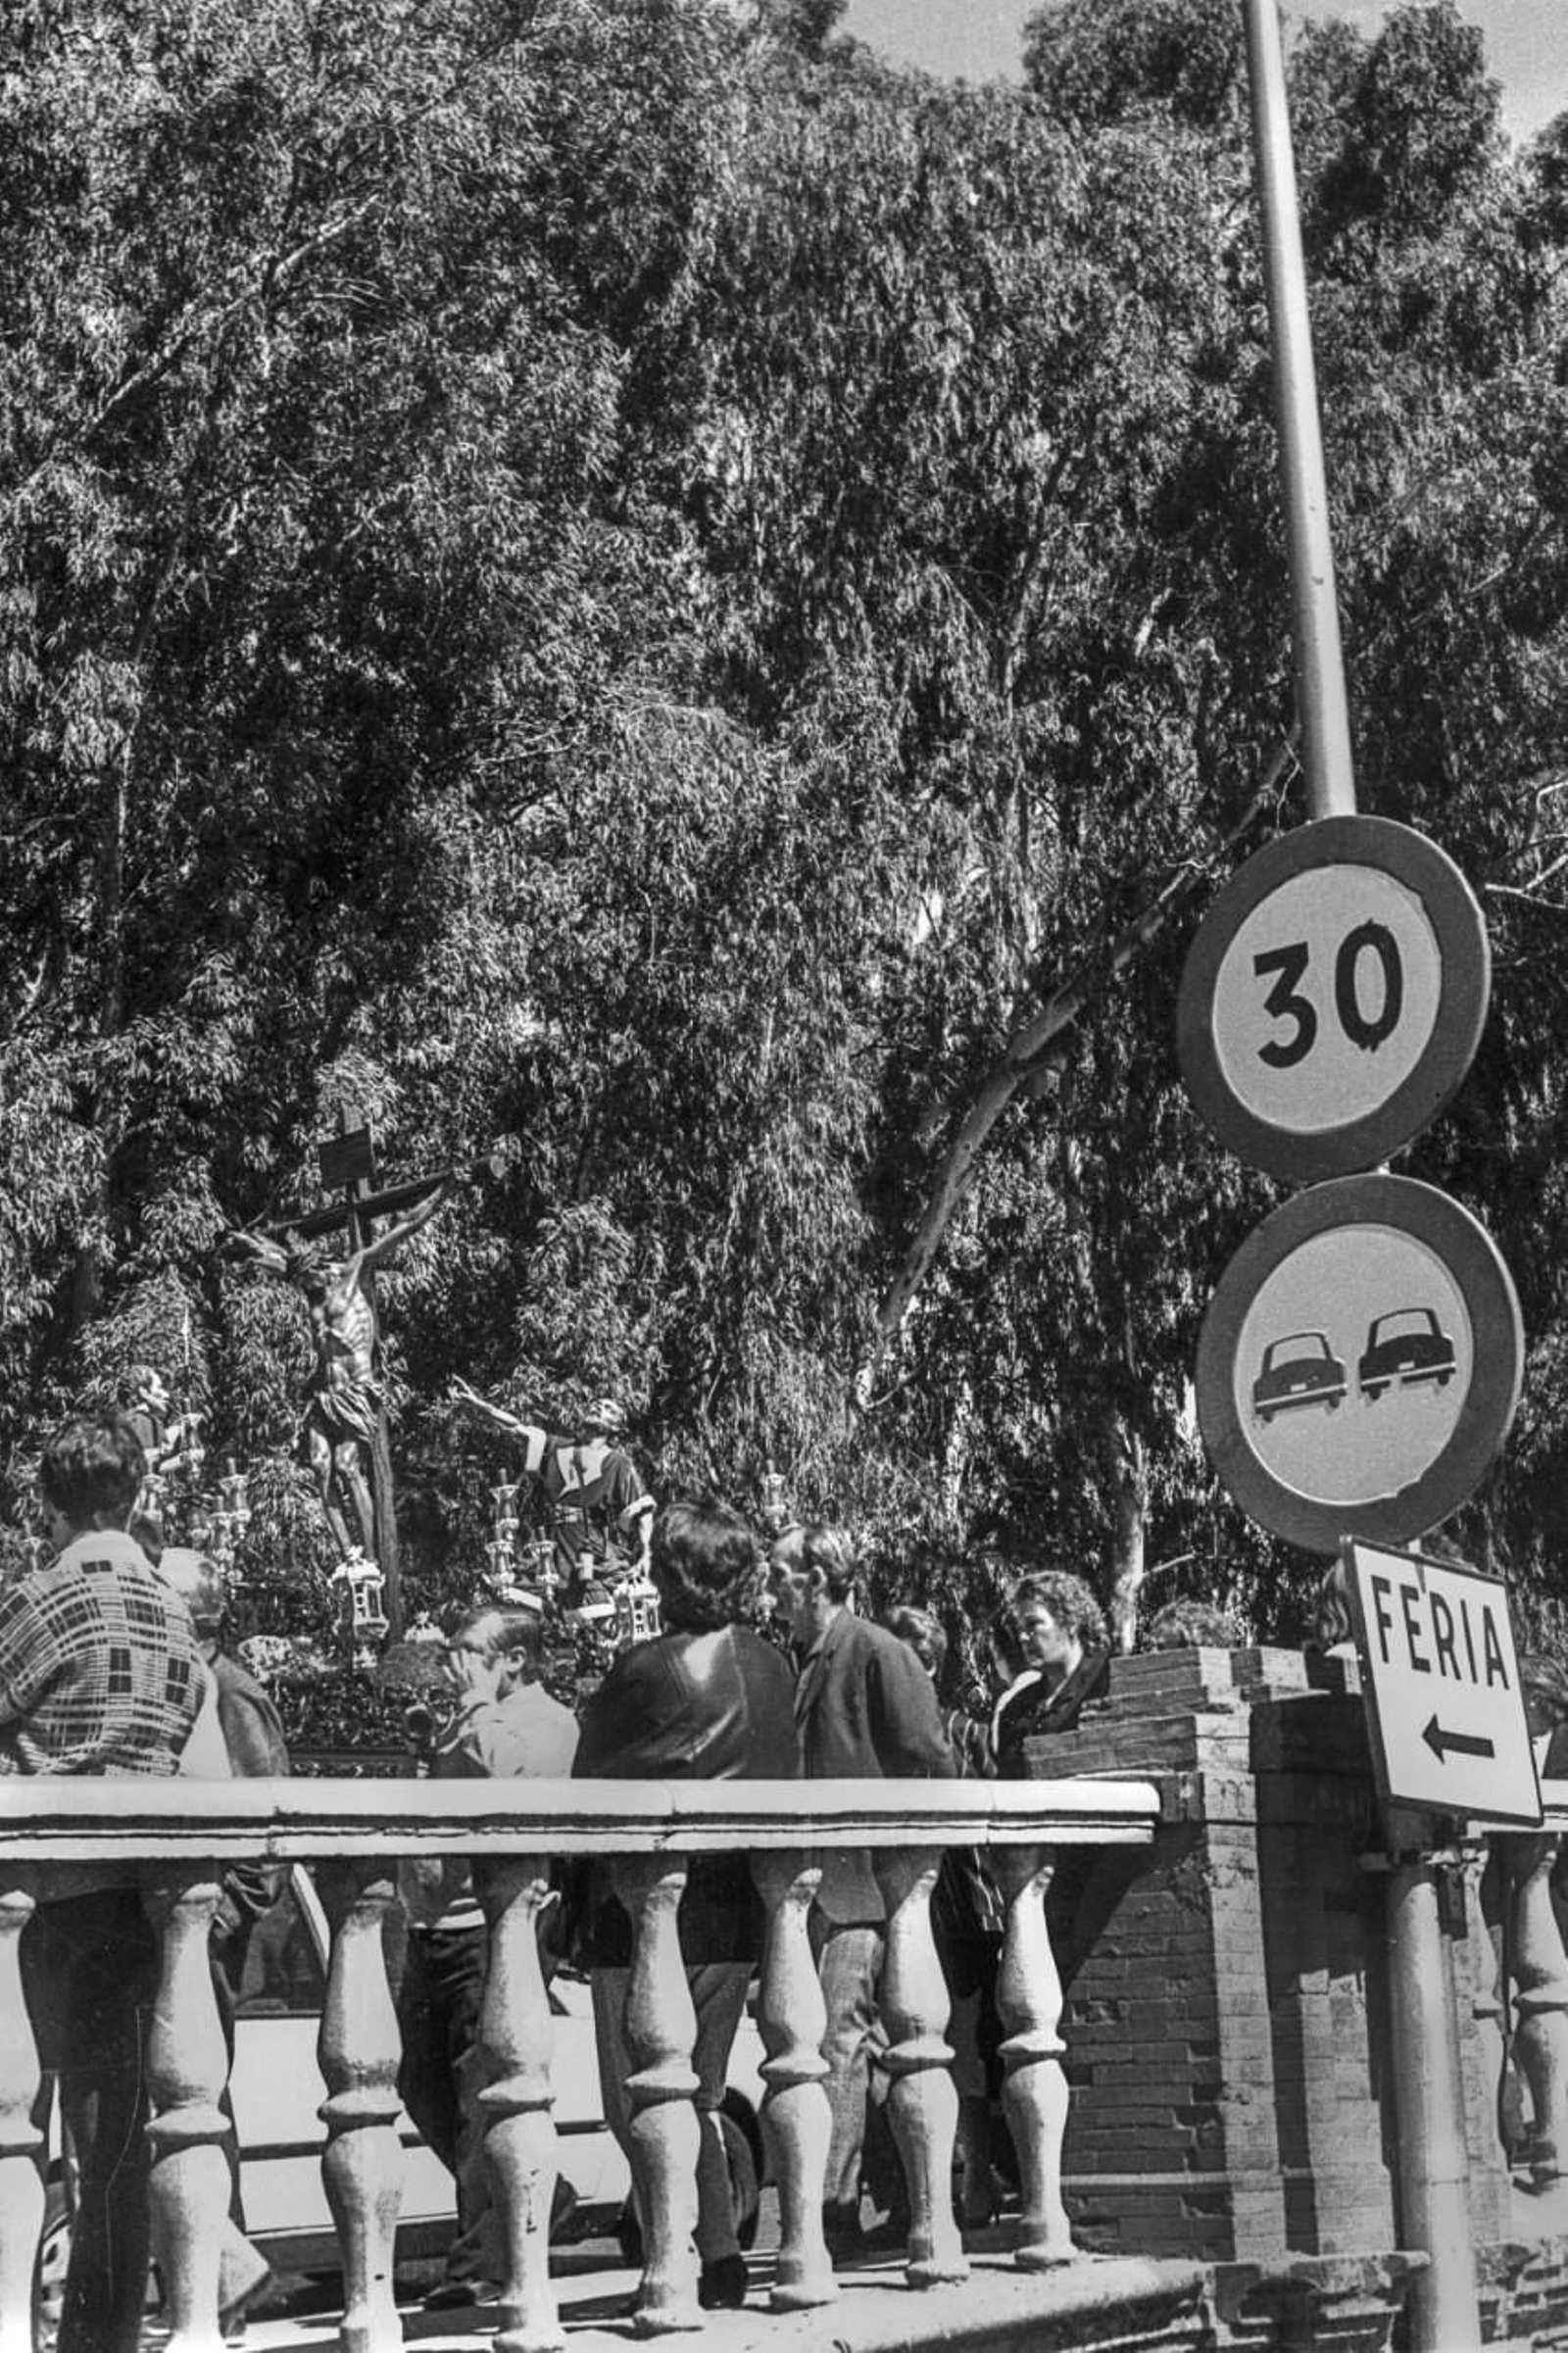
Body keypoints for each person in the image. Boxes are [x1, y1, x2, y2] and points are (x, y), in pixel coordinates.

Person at [0, 1412, 206, 2353]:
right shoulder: (174, 1608)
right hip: (139, 1902)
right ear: (137, 1496)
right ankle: (104, 2336)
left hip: (35, 1900)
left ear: (48, 1505)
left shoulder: (41, 1598)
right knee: (113, 2148)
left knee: (16, 2131)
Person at [575, 1494, 798, 2314]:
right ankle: (722, 2250)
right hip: (741, 1906)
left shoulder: (643, 1668)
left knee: (632, 2098)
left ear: (670, 1575)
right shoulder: (775, 1664)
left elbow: (588, 1777)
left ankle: (673, 2252)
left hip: (643, 1918)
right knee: (698, 2094)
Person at [766, 1524, 954, 2254]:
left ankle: (833, 2212)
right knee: (861, 2046)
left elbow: (932, 1763)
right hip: (820, 1885)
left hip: (868, 1890)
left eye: (781, 1571)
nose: (771, 1583)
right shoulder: (803, 1657)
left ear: (816, 1579)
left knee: (838, 2039)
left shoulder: (878, 1651)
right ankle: (907, 2196)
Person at [398, 1603, 579, 2311]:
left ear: (515, 1660)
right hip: (437, 1925)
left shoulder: (549, 1721)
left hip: (492, 1928)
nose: (455, 1663)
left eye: (469, 1651)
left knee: (481, 2091)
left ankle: (479, 2261)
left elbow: (510, 1772)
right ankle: (536, 2192)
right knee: (417, 2079)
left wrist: (472, 1705)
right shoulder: (468, 1714)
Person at [154, 1545, 307, 2335]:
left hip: (208, 1938)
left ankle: (226, 2291)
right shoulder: (192, 1684)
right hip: (189, 1928)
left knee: (200, 2107)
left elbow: (264, 1831)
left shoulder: (234, 1697)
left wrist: (215, 1923)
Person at [226, 1181, 451, 1560]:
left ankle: (375, 1553)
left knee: (348, 1467)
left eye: (306, 1281)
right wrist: (247, 1243)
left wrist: (442, 1194)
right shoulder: (308, 1285)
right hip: (324, 1392)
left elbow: (406, 1226)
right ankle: (350, 1556)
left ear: (319, 1271)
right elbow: (275, 1256)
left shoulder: (352, 1271)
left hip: (356, 1390)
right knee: (319, 1466)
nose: (304, 1289)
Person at [450, 1383, 655, 1604]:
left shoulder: (619, 1463)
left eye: (608, 1408)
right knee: (520, 1597)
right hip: (548, 1542)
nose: (597, 1407)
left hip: (588, 1548)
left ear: (616, 1428)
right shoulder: (557, 1446)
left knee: (597, 1605)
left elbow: (643, 1511)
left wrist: (646, 1553)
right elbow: (515, 1427)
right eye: (595, 1404)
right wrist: (479, 1404)